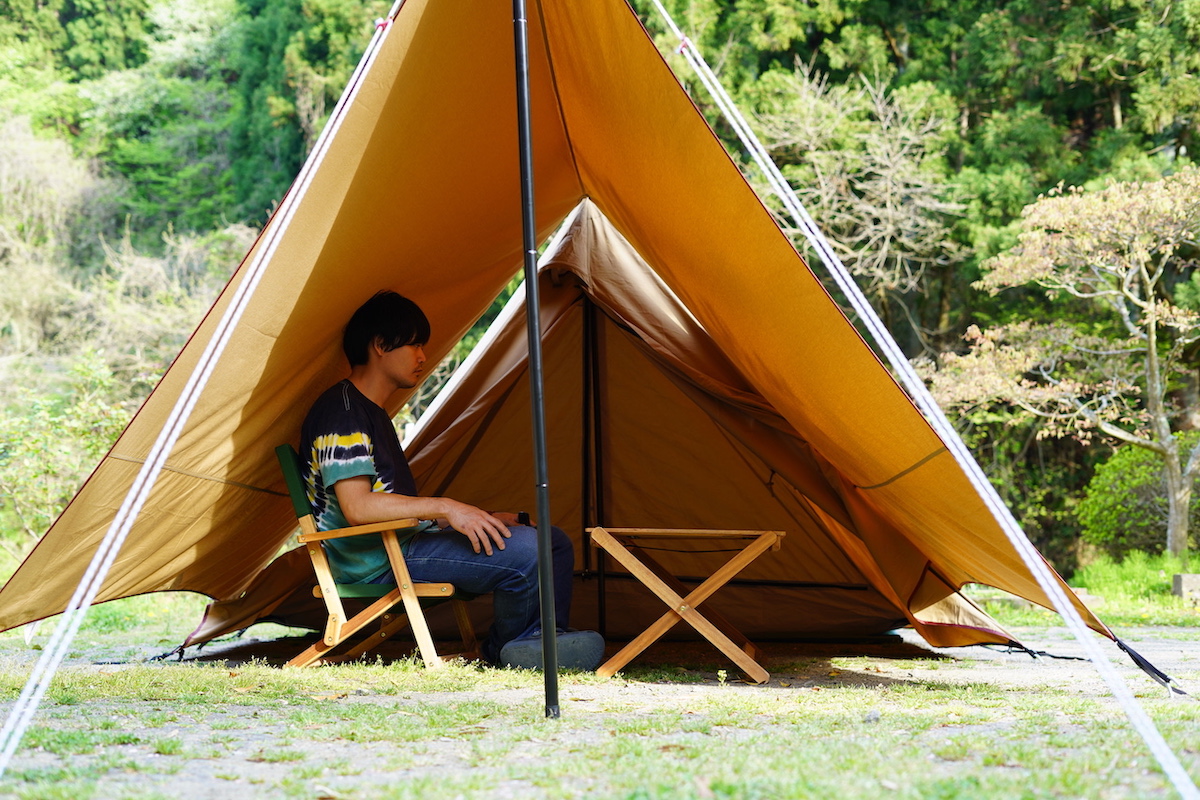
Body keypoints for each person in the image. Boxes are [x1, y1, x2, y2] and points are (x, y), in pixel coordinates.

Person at [299, 290, 604, 670]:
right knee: (529, 551)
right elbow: (358, 507)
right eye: (414, 345)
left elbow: (391, 504)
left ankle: (542, 640)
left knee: (552, 541)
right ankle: (509, 651)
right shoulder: (343, 414)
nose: (423, 357)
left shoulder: (370, 413)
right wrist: (447, 507)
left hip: (404, 540)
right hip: (378, 559)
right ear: (380, 345)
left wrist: (482, 514)